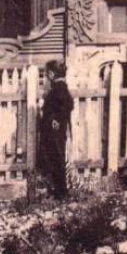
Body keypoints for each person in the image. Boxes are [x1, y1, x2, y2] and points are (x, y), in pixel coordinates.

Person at [40, 61, 74, 199]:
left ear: (52, 73)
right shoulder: (58, 87)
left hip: (56, 132)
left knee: (57, 159)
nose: (46, 77)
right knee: (55, 159)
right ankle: (59, 191)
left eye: (47, 74)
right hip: (54, 131)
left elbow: (68, 105)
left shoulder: (59, 87)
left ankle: (61, 192)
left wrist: (57, 120)